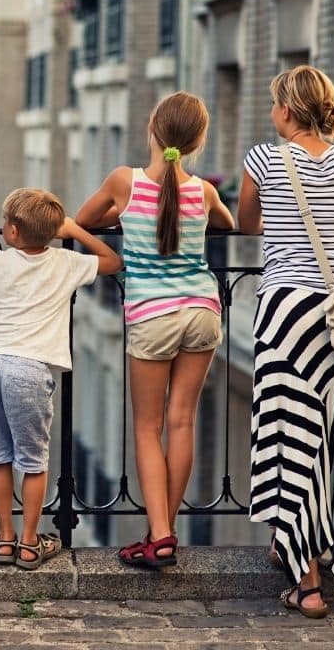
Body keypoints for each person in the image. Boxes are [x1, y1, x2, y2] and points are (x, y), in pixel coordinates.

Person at [237, 65, 334, 618]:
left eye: (276, 105)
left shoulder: (265, 159)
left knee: (288, 432)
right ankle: (322, 551)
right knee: (333, 438)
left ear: (288, 112)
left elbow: (249, 224)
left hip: (286, 313)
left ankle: (308, 582)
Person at [76, 92, 234, 568]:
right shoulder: (204, 190)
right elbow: (226, 222)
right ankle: (165, 530)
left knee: (148, 427)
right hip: (203, 310)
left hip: (151, 315)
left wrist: (124, 214)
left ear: (152, 126)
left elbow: (83, 221)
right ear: (198, 141)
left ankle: (160, 534)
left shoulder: (123, 181)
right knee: (183, 420)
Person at [0, 188, 121, 569]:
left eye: (5, 222)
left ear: (14, 232)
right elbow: (112, 260)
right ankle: (29, 541)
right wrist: (74, 230)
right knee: (33, 461)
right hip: (28, 367)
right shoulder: (66, 262)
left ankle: (4, 539)